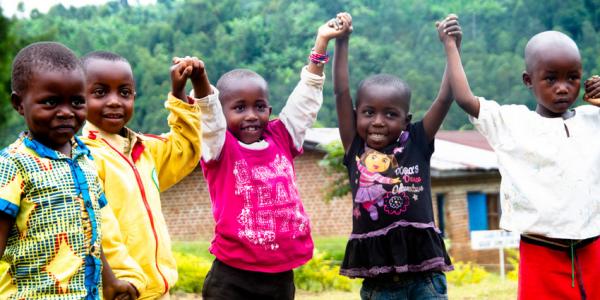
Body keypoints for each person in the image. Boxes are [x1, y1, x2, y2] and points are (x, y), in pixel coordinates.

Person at [439, 15, 600, 299]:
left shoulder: (594, 119)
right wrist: (452, 46)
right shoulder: (511, 123)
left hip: (594, 250)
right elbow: (465, 98)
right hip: (541, 254)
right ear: (529, 80)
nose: (562, 88)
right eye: (550, 78)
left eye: (572, 78)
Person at [197, 14, 352, 300]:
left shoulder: (282, 137)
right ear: (223, 111)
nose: (252, 116)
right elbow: (209, 119)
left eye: (260, 106)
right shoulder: (220, 148)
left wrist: (321, 42)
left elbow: (306, 98)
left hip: (280, 280)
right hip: (232, 279)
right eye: (239, 108)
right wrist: (201, 83)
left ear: (270, 109)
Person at [334, 14, 459, 299]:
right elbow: (341, 92)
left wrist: (452, 46)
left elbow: (445, 98)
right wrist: (343, 41)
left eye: (390, 114)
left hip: (425, 282)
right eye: (368, 112)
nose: (378, 121)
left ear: (406, 120)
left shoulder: (417, 140)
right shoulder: (354, 145)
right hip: (380, 286)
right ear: (356, 115)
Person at [0, 42, 136, 299]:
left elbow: (90, 234)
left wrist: (110, 282)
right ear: (19, 104)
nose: (66, 113)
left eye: (76, 101)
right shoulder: (13, 164)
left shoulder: (85, 159)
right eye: (50, 102)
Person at [79, 51, 213, 299]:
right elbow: (94, 231)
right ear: (79, 98)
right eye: (100, 92)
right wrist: (118, 280)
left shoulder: (144, 149)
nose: (114, 101)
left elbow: (185, 148)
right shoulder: (83, 158)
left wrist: (179, 92)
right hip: (119, 291)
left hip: (159, 291)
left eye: (124, 92)